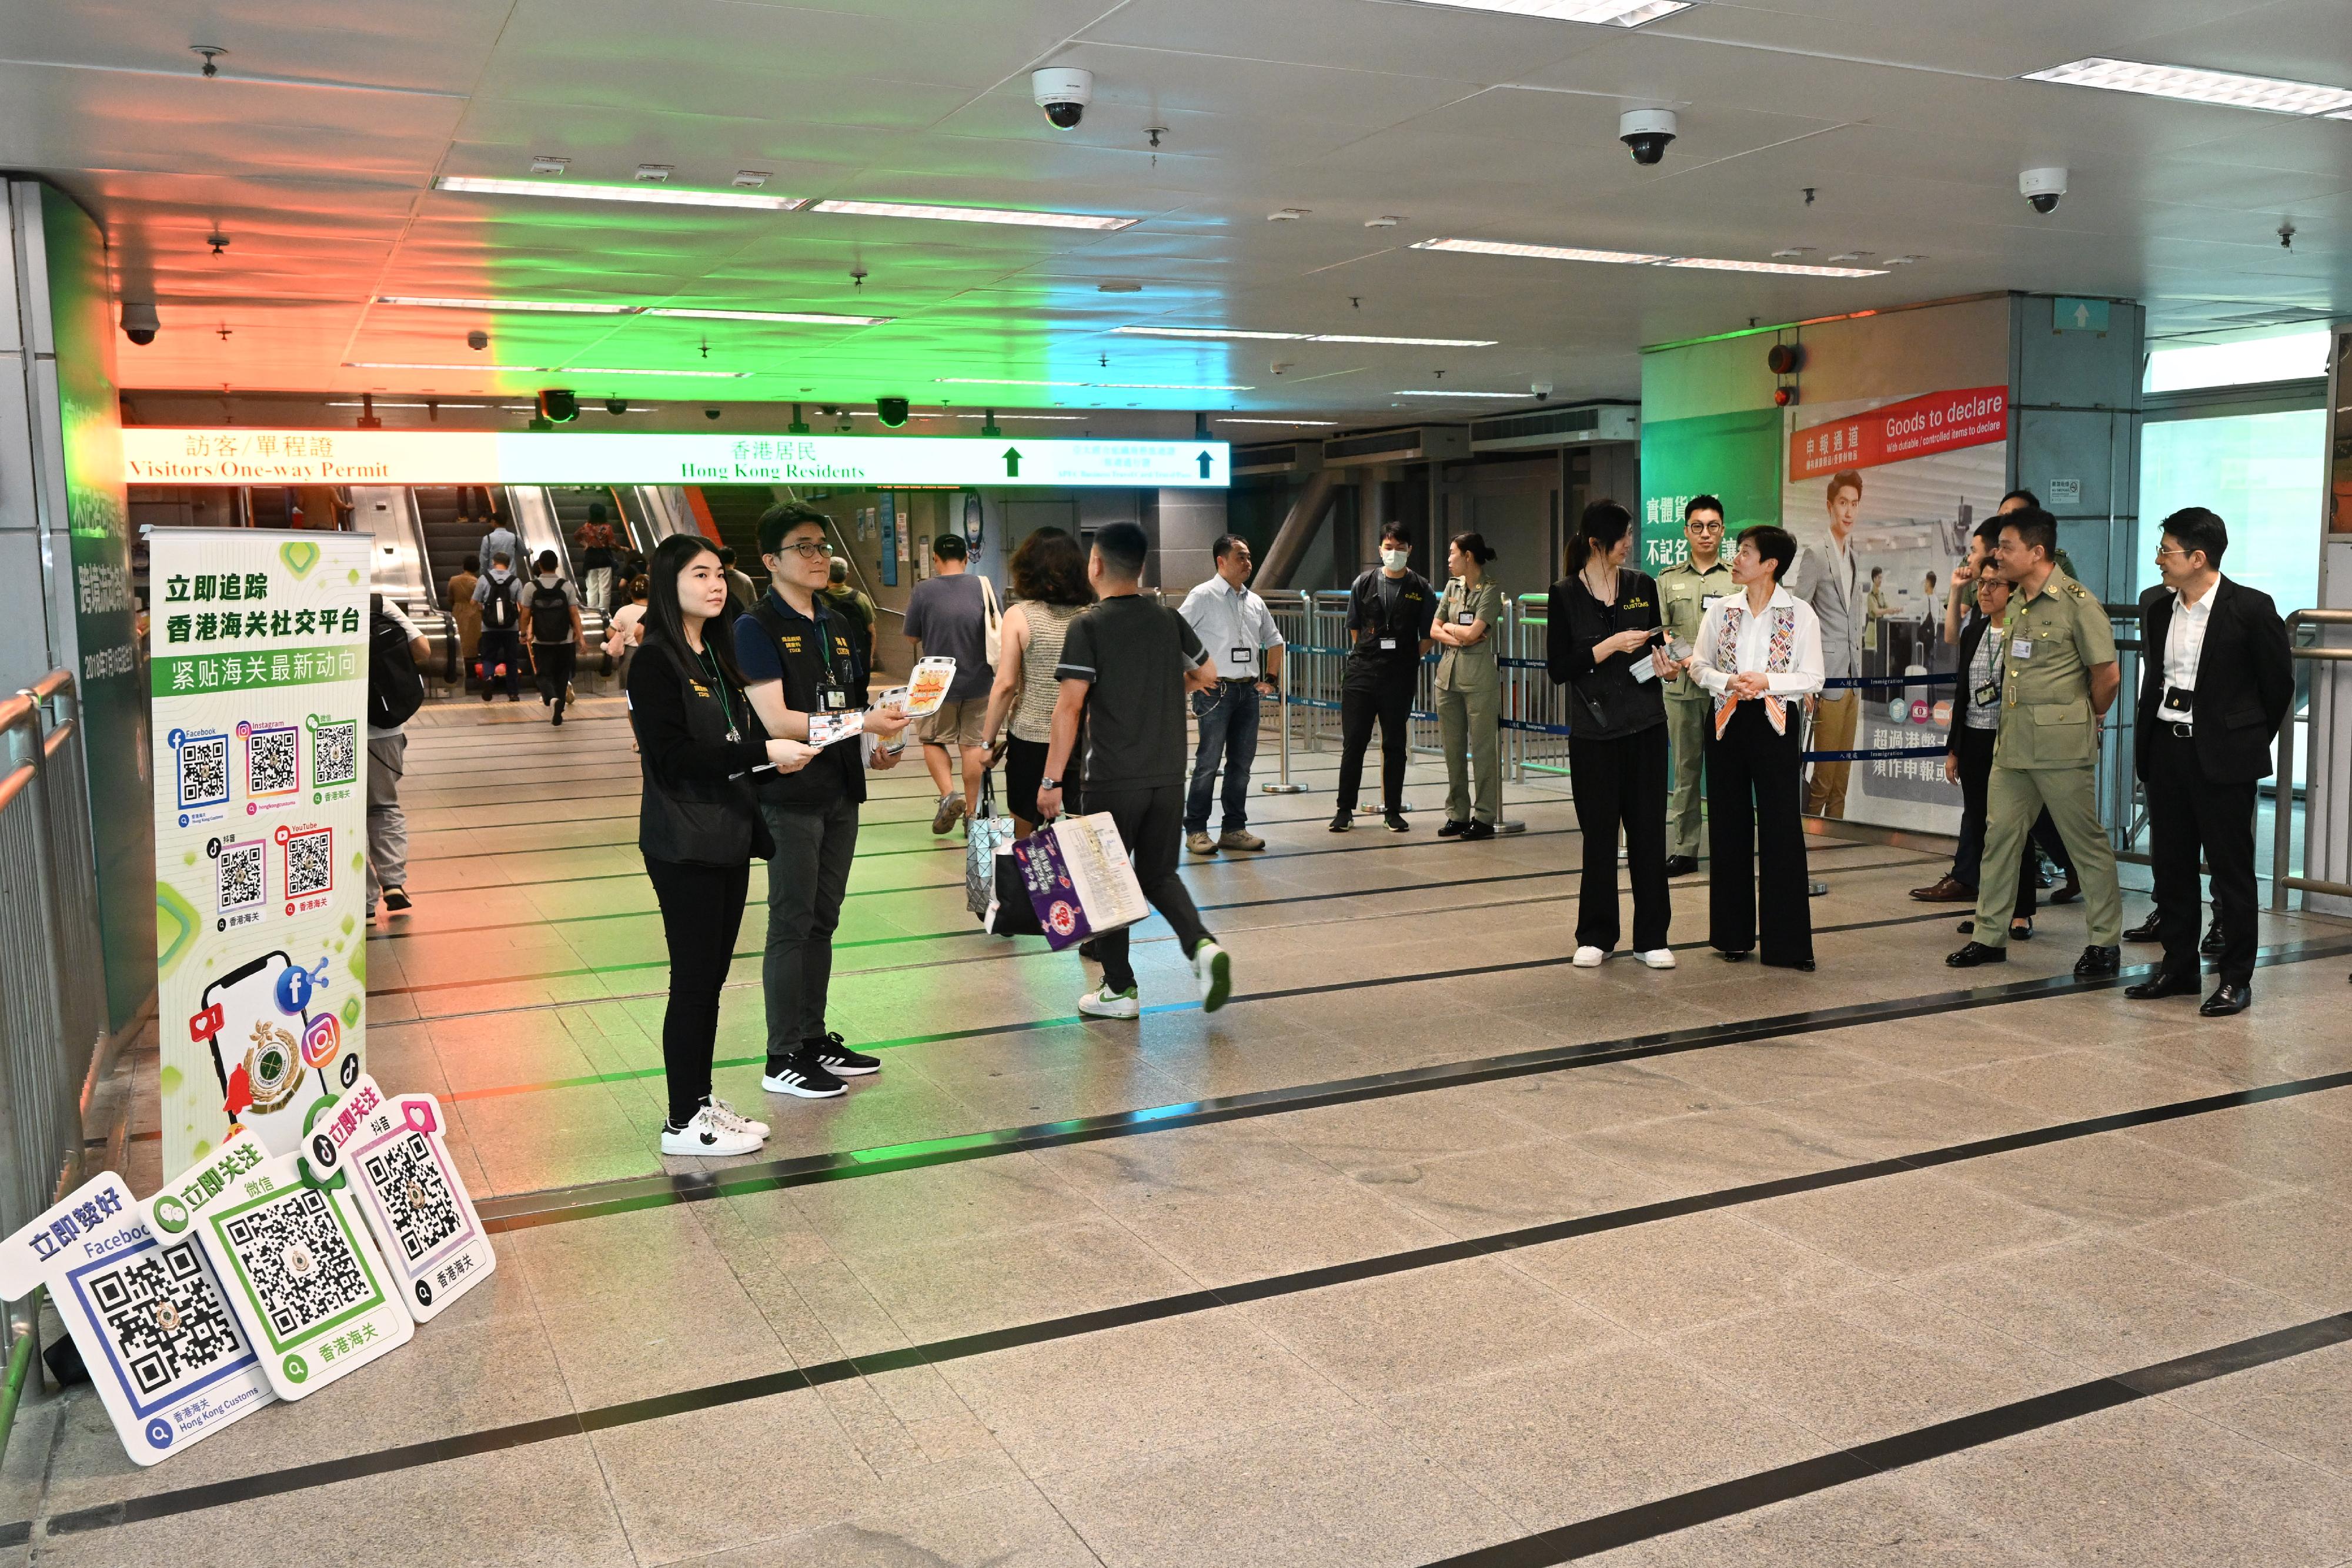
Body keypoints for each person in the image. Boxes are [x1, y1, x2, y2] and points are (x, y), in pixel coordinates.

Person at [626, 533, 819, 1157]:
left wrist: (768, 766)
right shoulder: (655, 660)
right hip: (684, 842)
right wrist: (763, 752)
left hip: (729, 835)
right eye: (699, 574)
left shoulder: (711, 653)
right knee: (693, 981)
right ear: (667, 583)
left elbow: (727, 747)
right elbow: (675, 758)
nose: (715, 585)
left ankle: (700, 1100)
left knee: (709, 980)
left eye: (718, 573)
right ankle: (683, 1122)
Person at [736, 503, 913, 1098]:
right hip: (789, 795)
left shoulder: (837, 623)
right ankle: (781, 1053)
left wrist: (873, 748)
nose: (819, 557)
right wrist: (863, 724)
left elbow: (849, 707)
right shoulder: (754, 628)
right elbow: (779, 721)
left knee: (823, 919)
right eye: (803, 547)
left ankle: (812, 1039)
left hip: (840, 790)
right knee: (790, 921)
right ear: (770, 561)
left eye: (822, 546)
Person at [1037, 521, 1231, 1017]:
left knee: (1105, 881)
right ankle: (1202, 945)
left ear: (1095, 564)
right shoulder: (1167, 619)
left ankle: (1119, 989)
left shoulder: (1089, 625)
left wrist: (1051, 780)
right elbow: (1207, 675)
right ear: (1142, 566)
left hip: (1112, 776)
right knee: (1159, 872)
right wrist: (1169, 690)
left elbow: (1069, 708)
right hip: (1168, 773)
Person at [2123, 508, 2293, 1017]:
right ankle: (2178, 968)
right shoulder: (2158, 607)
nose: (2159, 560)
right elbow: (2157, 675)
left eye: (2167, 551)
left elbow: (2278, 685)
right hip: (2168, 750)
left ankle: (2235, 978)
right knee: (2171, 866)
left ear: (2199, 558)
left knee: (2231, 870)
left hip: (2223, 758)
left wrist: (2241, 738)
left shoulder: (2252, 608)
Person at [1946, 507, 2125, 977]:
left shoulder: (2077, 603)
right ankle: (1990, 936)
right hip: (2014, 745)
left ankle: (2105, 942)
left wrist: (2092, 714)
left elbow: (2107, 674)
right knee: (1999, 837)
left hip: (2061, 748)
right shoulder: (2020, 603)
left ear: (2037, 551)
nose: (1998, 554)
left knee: (2084, 843)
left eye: (2006, 546)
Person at [1913, 517, 2075, 916]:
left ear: (2014, 588)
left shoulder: (2025, 631)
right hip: (1975, 739)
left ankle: (2019, 913)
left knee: (2013, 830)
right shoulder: (1975, 632)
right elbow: (1965, 694)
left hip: (2012, 740)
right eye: (1980, 584)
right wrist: (1955, 749)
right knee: (1984, 829)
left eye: (1993, 584)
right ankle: (1990, 913)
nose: (1984, 591)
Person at [1682, 524, 1823, 969]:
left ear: (1770, 565)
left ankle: (1788, 946)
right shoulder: (1721, 610)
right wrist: (1727, 681)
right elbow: (1699, 665)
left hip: (1775, 721)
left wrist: (1768, 682)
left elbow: (1813, 677)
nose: (1736, 558)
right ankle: (1732, 934)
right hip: (1726, 721)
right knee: (1728, 825)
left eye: (1745, 552)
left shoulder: (1800, 613)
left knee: (1782, 829)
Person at [1548, 502, 1675, 969]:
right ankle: (1597, 934)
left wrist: (1668, 666)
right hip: (1593, 733)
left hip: (1645, 724)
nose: (1630, 543)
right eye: (1623, 536)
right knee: (1599, 835)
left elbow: (1658, 648)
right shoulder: (1563, 594)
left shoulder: (1643, 586)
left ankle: (1652, 936)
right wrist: (1608, 646)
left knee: (1647, 833)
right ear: (1597, 542)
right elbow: (1559, 668)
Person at [1178, 534, 1286, 855]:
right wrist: (1192, 678)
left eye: (1249, 557)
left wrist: (1270, 679)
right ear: (1220, 561)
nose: (1247, 563)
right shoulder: (1203, 595)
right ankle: (1197, 829)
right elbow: (1176, 634)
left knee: (1242, 764)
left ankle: (1234, 828)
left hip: (1247, 693)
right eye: (1240, 557)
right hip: (1215, 691)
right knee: (1208, 763)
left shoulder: (1255, 601)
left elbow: (1276, 641)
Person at [984, 528, 1093, 837]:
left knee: (1025, 830)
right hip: (1082, 738)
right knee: (1082, 828)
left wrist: (986, 742)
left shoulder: (1019, 615)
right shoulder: (1090, 616)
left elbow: (1006, 685)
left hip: (1031, 737)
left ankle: (1031, 884)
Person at [1331, 522, 1435, 833]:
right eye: (1388, 548)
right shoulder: (1363, 583)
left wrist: (1408, 657)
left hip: (1399, 675)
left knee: (1394, 744)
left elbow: (1428, 633)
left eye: (1399, 548)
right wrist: (1370, 653)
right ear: (1380, 550)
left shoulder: (1421, 587)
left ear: (1410, 550)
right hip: (1362, 672)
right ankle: (1344, 810)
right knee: (1355, 743)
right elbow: (1355, 628)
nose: (1394, 553)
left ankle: (1393, 810)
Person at [1658, 497, 1734, 876]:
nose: (1706, 533)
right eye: (1698, 526)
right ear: (1687, 531)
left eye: (1714, 526)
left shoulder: (1737, 577)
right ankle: (1685, 849)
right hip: (1683, 690)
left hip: (1727, 691)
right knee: (1686, 770)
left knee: (1726, 772)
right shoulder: (1669, 579)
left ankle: (1726, 847)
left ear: (1723, 530)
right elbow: (1663, 628)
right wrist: (1691, 661)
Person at [902, 533, 998, 834]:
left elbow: (912, 636)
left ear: (936, 558)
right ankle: (972, 814)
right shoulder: (984, 586)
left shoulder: (924, 590)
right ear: (967, 558)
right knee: (971, 746)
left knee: (932, 739)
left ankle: (948, 795)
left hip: (935, 679)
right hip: (980, 678)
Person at [1788, 469, 1866, 818]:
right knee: (1822, 775)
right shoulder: (1815, 555)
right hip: (1826, 680)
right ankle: (1808, 849)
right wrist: (1803, 679)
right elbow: (1797, 618)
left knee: (1842, 776)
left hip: (1853, 679)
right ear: (1830, 506)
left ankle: (1835, 847)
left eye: (1854, 504)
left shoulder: (1853, 557)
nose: (1848, 511)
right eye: (1843, 503)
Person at [1429, 532, 1503, 841]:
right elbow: (1435, 628)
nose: (1449, 560)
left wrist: (1453, 629)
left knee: (1483, 749)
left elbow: (1476, 634)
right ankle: (1458, 814)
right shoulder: (1451, 587)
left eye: (1452, 554)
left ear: (1469, 556)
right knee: (1453, 750)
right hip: (1447, 678)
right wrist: (1454, 631)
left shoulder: (1491, 590)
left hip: (1478, 680)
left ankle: (1484, 816)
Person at [365, 593, 428, 921]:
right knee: (384, 806)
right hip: (384, 729)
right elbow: (424, 650)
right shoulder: (379, 603)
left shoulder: (306, 603)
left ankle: (360, 900)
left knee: (338, 815)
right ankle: (393, 884)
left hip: (326, 729)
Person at [519, 549, 585, 726]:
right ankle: (559, 710)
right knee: (563, 675)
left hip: (542, 641)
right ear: (557, 565)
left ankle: (551, 698)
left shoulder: (530, 587)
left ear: (539, 566)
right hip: (565, 641)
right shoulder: (567, 586)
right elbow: (574, 614)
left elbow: (525, 614)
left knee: (543, 675)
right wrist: (581, 637)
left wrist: (523, 633)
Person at [472, 550, 525, 701]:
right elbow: (522, 605)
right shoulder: (515, 580)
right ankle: (513, 693)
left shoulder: (484, 579)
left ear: (494, 563)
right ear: (509, 565)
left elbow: (473, 602)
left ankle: (489, 679)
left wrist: (482, 608)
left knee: (488, 657)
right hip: (511, 627)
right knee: (512, 660)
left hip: (489, 627)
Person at [605, 575, 650, 747]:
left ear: (631, 593)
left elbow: (611, 633)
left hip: (630, 659)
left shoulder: (623, 611)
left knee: (633, 701)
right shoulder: (656, 610)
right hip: (653, 656)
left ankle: (639, 738)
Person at [821, 557, 881, 676]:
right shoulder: (861, 598)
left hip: (832, 659)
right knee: (860, 692)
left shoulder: (820, 601)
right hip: (859, 657)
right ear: (847, 575)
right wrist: (870, 656)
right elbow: (871, 631)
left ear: (827, 575)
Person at [575, 501, 620, 613]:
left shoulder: (586, 527)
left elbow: (576, 536)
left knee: (591, 589)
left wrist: (586, 544)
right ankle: (604, 613)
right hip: (604, 558)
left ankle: (592, 613)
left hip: (591, 558)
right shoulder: (607, 528)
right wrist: (621, 548)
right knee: (605, 589)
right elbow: (612, 543)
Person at [449, 553, 482, 671]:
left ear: (463, 566)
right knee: (473, 638)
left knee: (460, 636)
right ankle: (474, 663)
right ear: (477, 568)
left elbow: (450, 598)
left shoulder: (454, 580)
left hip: (458, 610)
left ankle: (458, 660)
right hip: (474, 612)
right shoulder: (478, 583)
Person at [477, 511, 521, 587]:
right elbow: (524, 552)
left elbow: (484, 559)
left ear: (494, 522)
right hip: (511, 576)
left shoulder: (488, 539)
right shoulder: (514, 537)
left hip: (492, 577)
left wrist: (482, 575)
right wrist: (529, 552)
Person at [719, 547, 757, 617]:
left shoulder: (715, 579)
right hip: (742, 620)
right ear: (735, 560)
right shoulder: (745, 579)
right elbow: (754, 604)